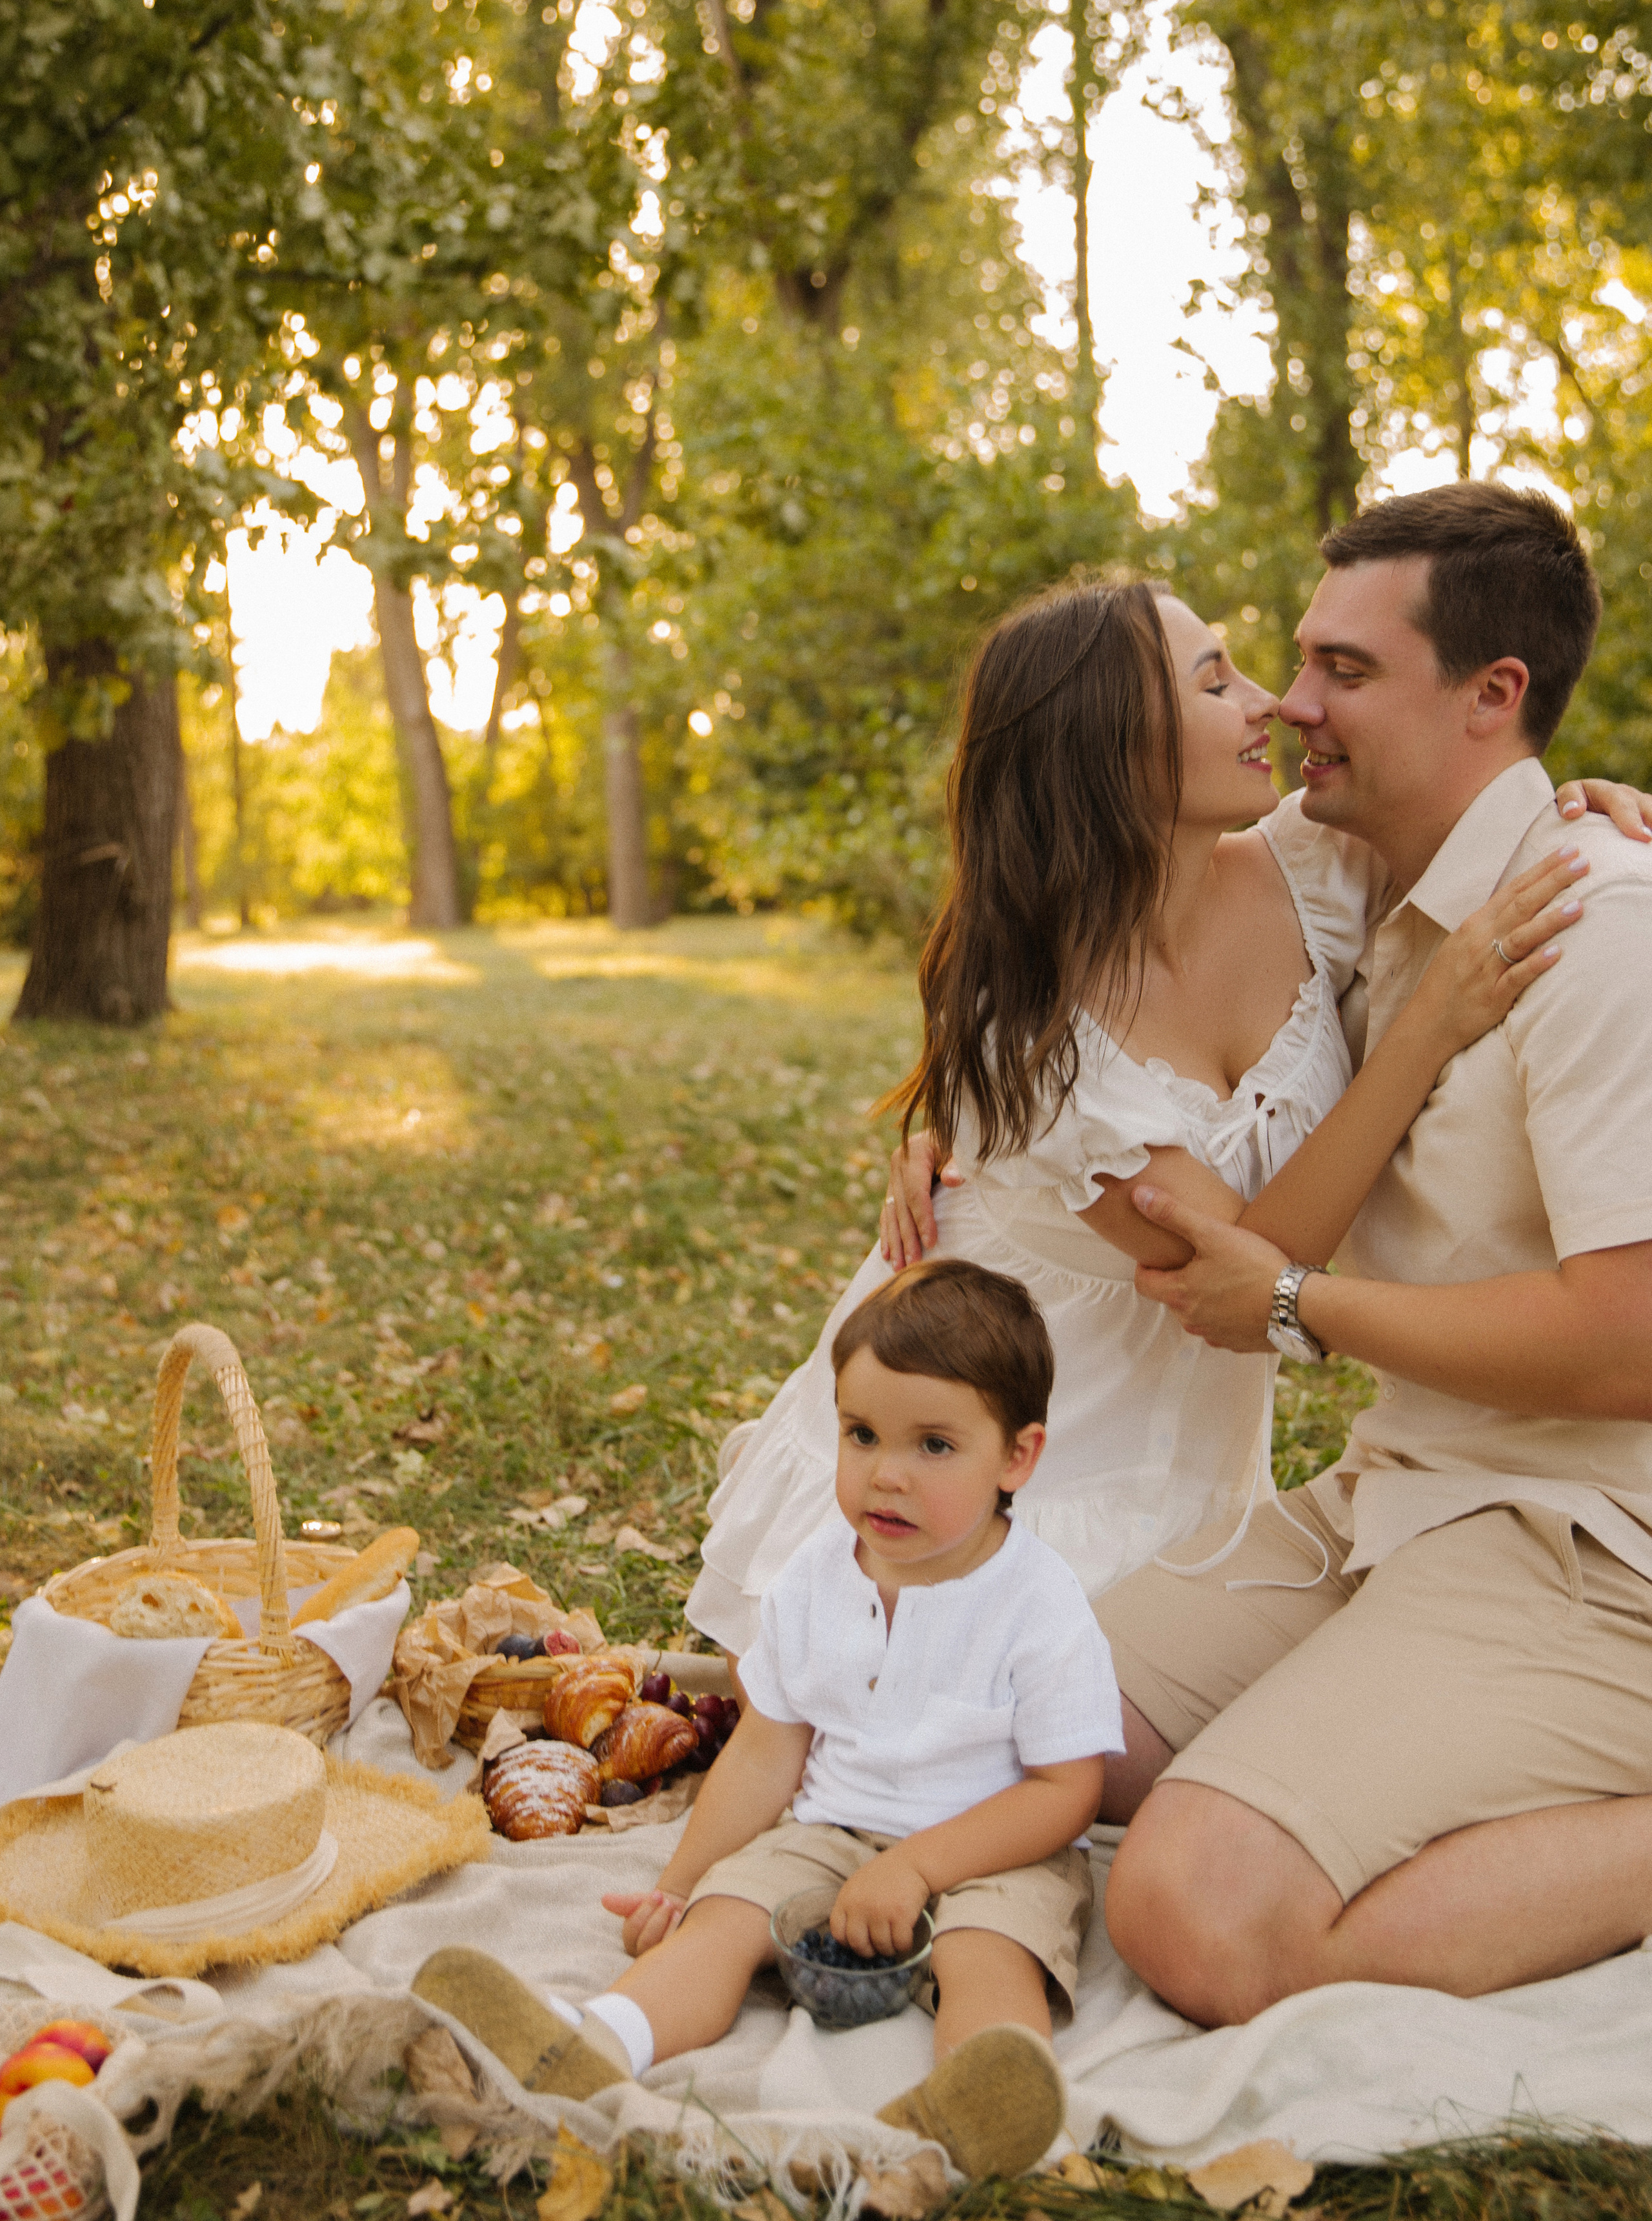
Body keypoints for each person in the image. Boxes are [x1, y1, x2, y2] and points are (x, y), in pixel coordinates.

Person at [686, 572, 1602, 1679]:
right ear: (1111, 748)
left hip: (1189, 1451)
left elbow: (1456, 801)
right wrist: (1428, 1025)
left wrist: (1565, 800)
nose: (1271, 702)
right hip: (1024, 1437)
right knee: (940, 1718)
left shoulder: (1315, 870)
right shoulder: (1032, 1036)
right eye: (1216, 682)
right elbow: (1244, 1277)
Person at [1073, 481, 1652, 2025]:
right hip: (1401, 1494)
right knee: (1032, 1702)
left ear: (1490, 694)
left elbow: (1632, 1340)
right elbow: (1074, 903)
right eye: (1291, 661)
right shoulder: (1353, 882)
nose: (1287, 703)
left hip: (1596, 1547)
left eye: (1342, 670)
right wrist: (949, 1119)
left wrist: (1295, 1300)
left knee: (1194, 1905)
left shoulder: (1601, 933)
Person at [418, 1260, 1121, 2182]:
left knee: (990, 1958)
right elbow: (766, 1748)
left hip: (996, 1849)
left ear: (1017, 1458)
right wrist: (682, 1882)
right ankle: (596, 2041)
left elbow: (1067, 1792)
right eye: (862, 1434)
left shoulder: (1039, 1602)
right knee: (723, 1920)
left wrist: (917, 1867)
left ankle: (979, 2107)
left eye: (934, 1445)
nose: (887, 1475)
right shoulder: (818, 1573)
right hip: (831, 1831)